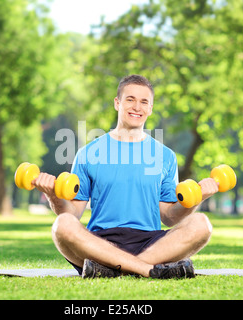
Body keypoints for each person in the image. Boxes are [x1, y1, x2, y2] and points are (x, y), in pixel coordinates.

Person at [33, 75, 218, 279]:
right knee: (63, 225)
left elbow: (169, 217)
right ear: (117, 103)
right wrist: (53, 195)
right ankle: (147, 270)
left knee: (201, 224)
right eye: (130, 99)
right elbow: (73, 213)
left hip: (150, 243)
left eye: (144, 102)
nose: (137, 107)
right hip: (101, 242)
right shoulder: (88, 154)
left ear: (150, 108)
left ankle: (110, 268)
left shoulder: (165, 156)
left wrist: (196, 199)